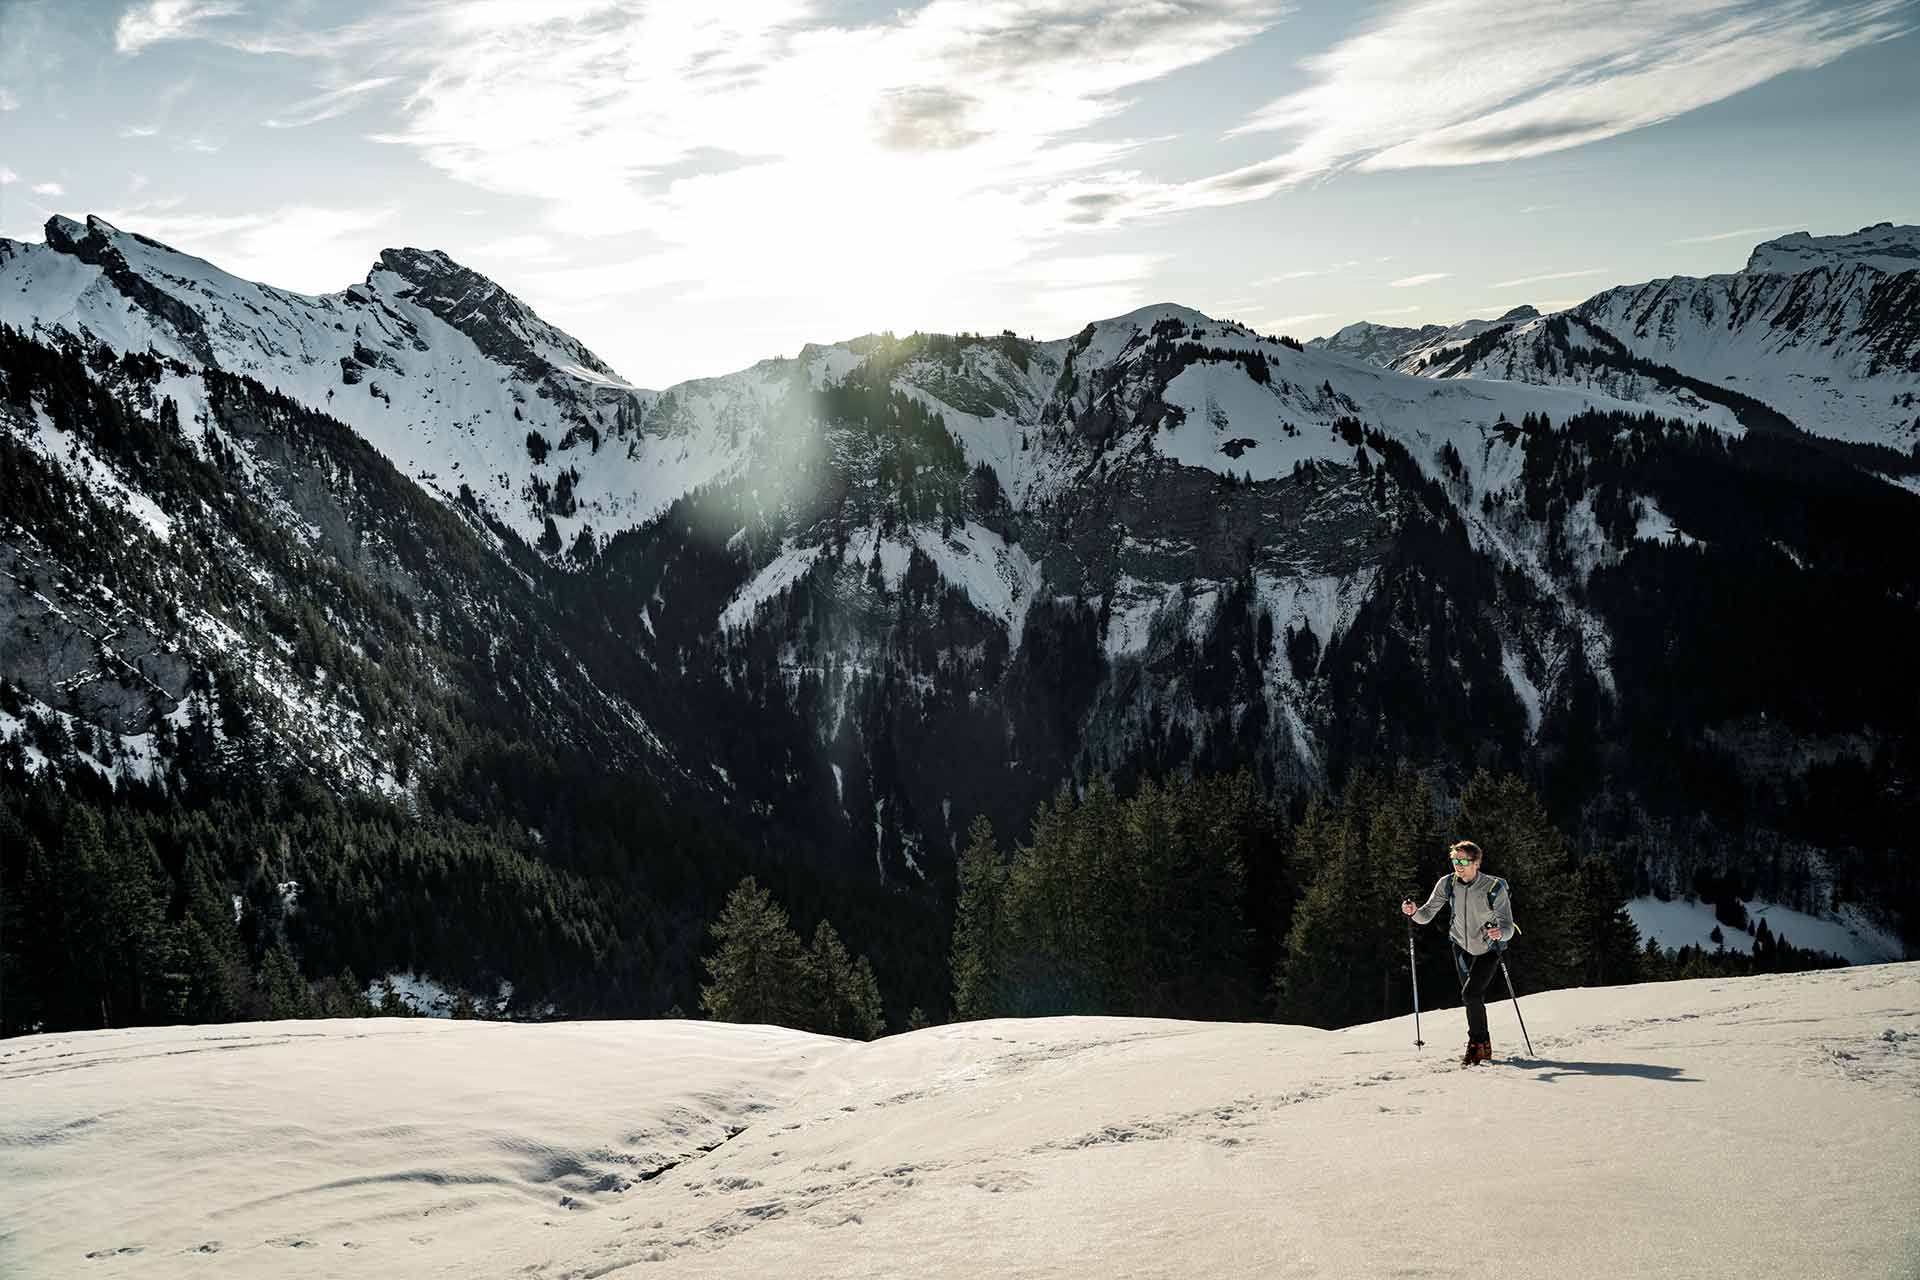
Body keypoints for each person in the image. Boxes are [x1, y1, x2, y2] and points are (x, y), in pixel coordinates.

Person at [1401, 840, 1518, 1066]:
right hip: (1461, 946)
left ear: (1476, 863)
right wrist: (1413, 911)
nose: (1458, 865)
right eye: (1455, 860)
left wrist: (1499, 934)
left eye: (1463, 860)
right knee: (1472, 998)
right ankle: (1483, 1046)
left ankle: (1476, 1046)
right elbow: (1426, 915)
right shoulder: (1448, 884)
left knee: (1471, 995)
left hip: (1489, 948)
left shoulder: (1494, 888)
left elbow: (1508, 927)